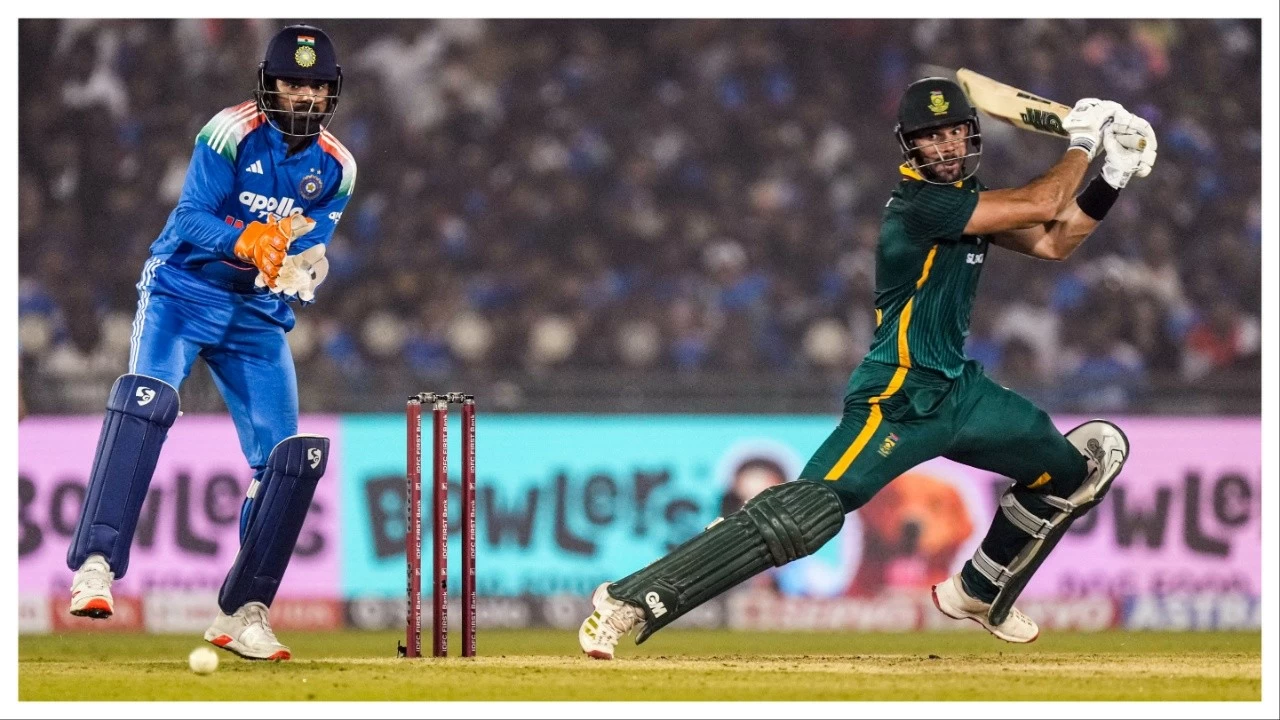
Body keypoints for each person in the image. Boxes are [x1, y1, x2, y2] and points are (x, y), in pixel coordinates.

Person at [579, 77, 1155, 658]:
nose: (948, 147)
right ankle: (627, 599)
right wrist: (1084, 142)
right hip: (898, 396)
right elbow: (1044, 202)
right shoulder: (922, 204)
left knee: (1066, 471)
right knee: (806, 515)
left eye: (956, 133)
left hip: (958, 392)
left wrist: (1115, 174)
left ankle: (979, 589)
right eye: (933, 139)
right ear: (911, 147)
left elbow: (1055, 242)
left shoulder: (967, 201)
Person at [65, 24, 356, 661]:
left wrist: (301, 269)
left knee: (289, 460)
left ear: (330, 93)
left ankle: (244, 612)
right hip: (182, 292)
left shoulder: (338, 166)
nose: (303, 96)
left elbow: (308, 247)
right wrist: (249, 239)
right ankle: (95, 566)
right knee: (145, 401)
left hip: (255, 314)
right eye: (291, 83)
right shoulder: (230, 130)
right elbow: (192, 215)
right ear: (268, 84)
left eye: (314, 86)